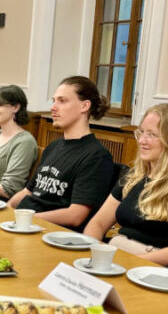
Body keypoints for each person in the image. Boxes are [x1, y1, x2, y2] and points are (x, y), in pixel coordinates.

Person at [84, 103, 168, 265]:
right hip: (116, 258)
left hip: (149, 268)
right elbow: (98, 223)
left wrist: (124, 262)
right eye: (141, 132)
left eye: (152, 135)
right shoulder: (134, 177)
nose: (142, 141)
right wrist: (91, 250)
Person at [8, 76, 114, 231]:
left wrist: (26, 219)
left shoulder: (97, 156)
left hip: (50, 232)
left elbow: (75, 215)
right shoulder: (54, 146)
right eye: (53, 100)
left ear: (84, 106)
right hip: (25, 223)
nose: (53, 107)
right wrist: (7, 209)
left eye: (62, 101)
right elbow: (28, 191)